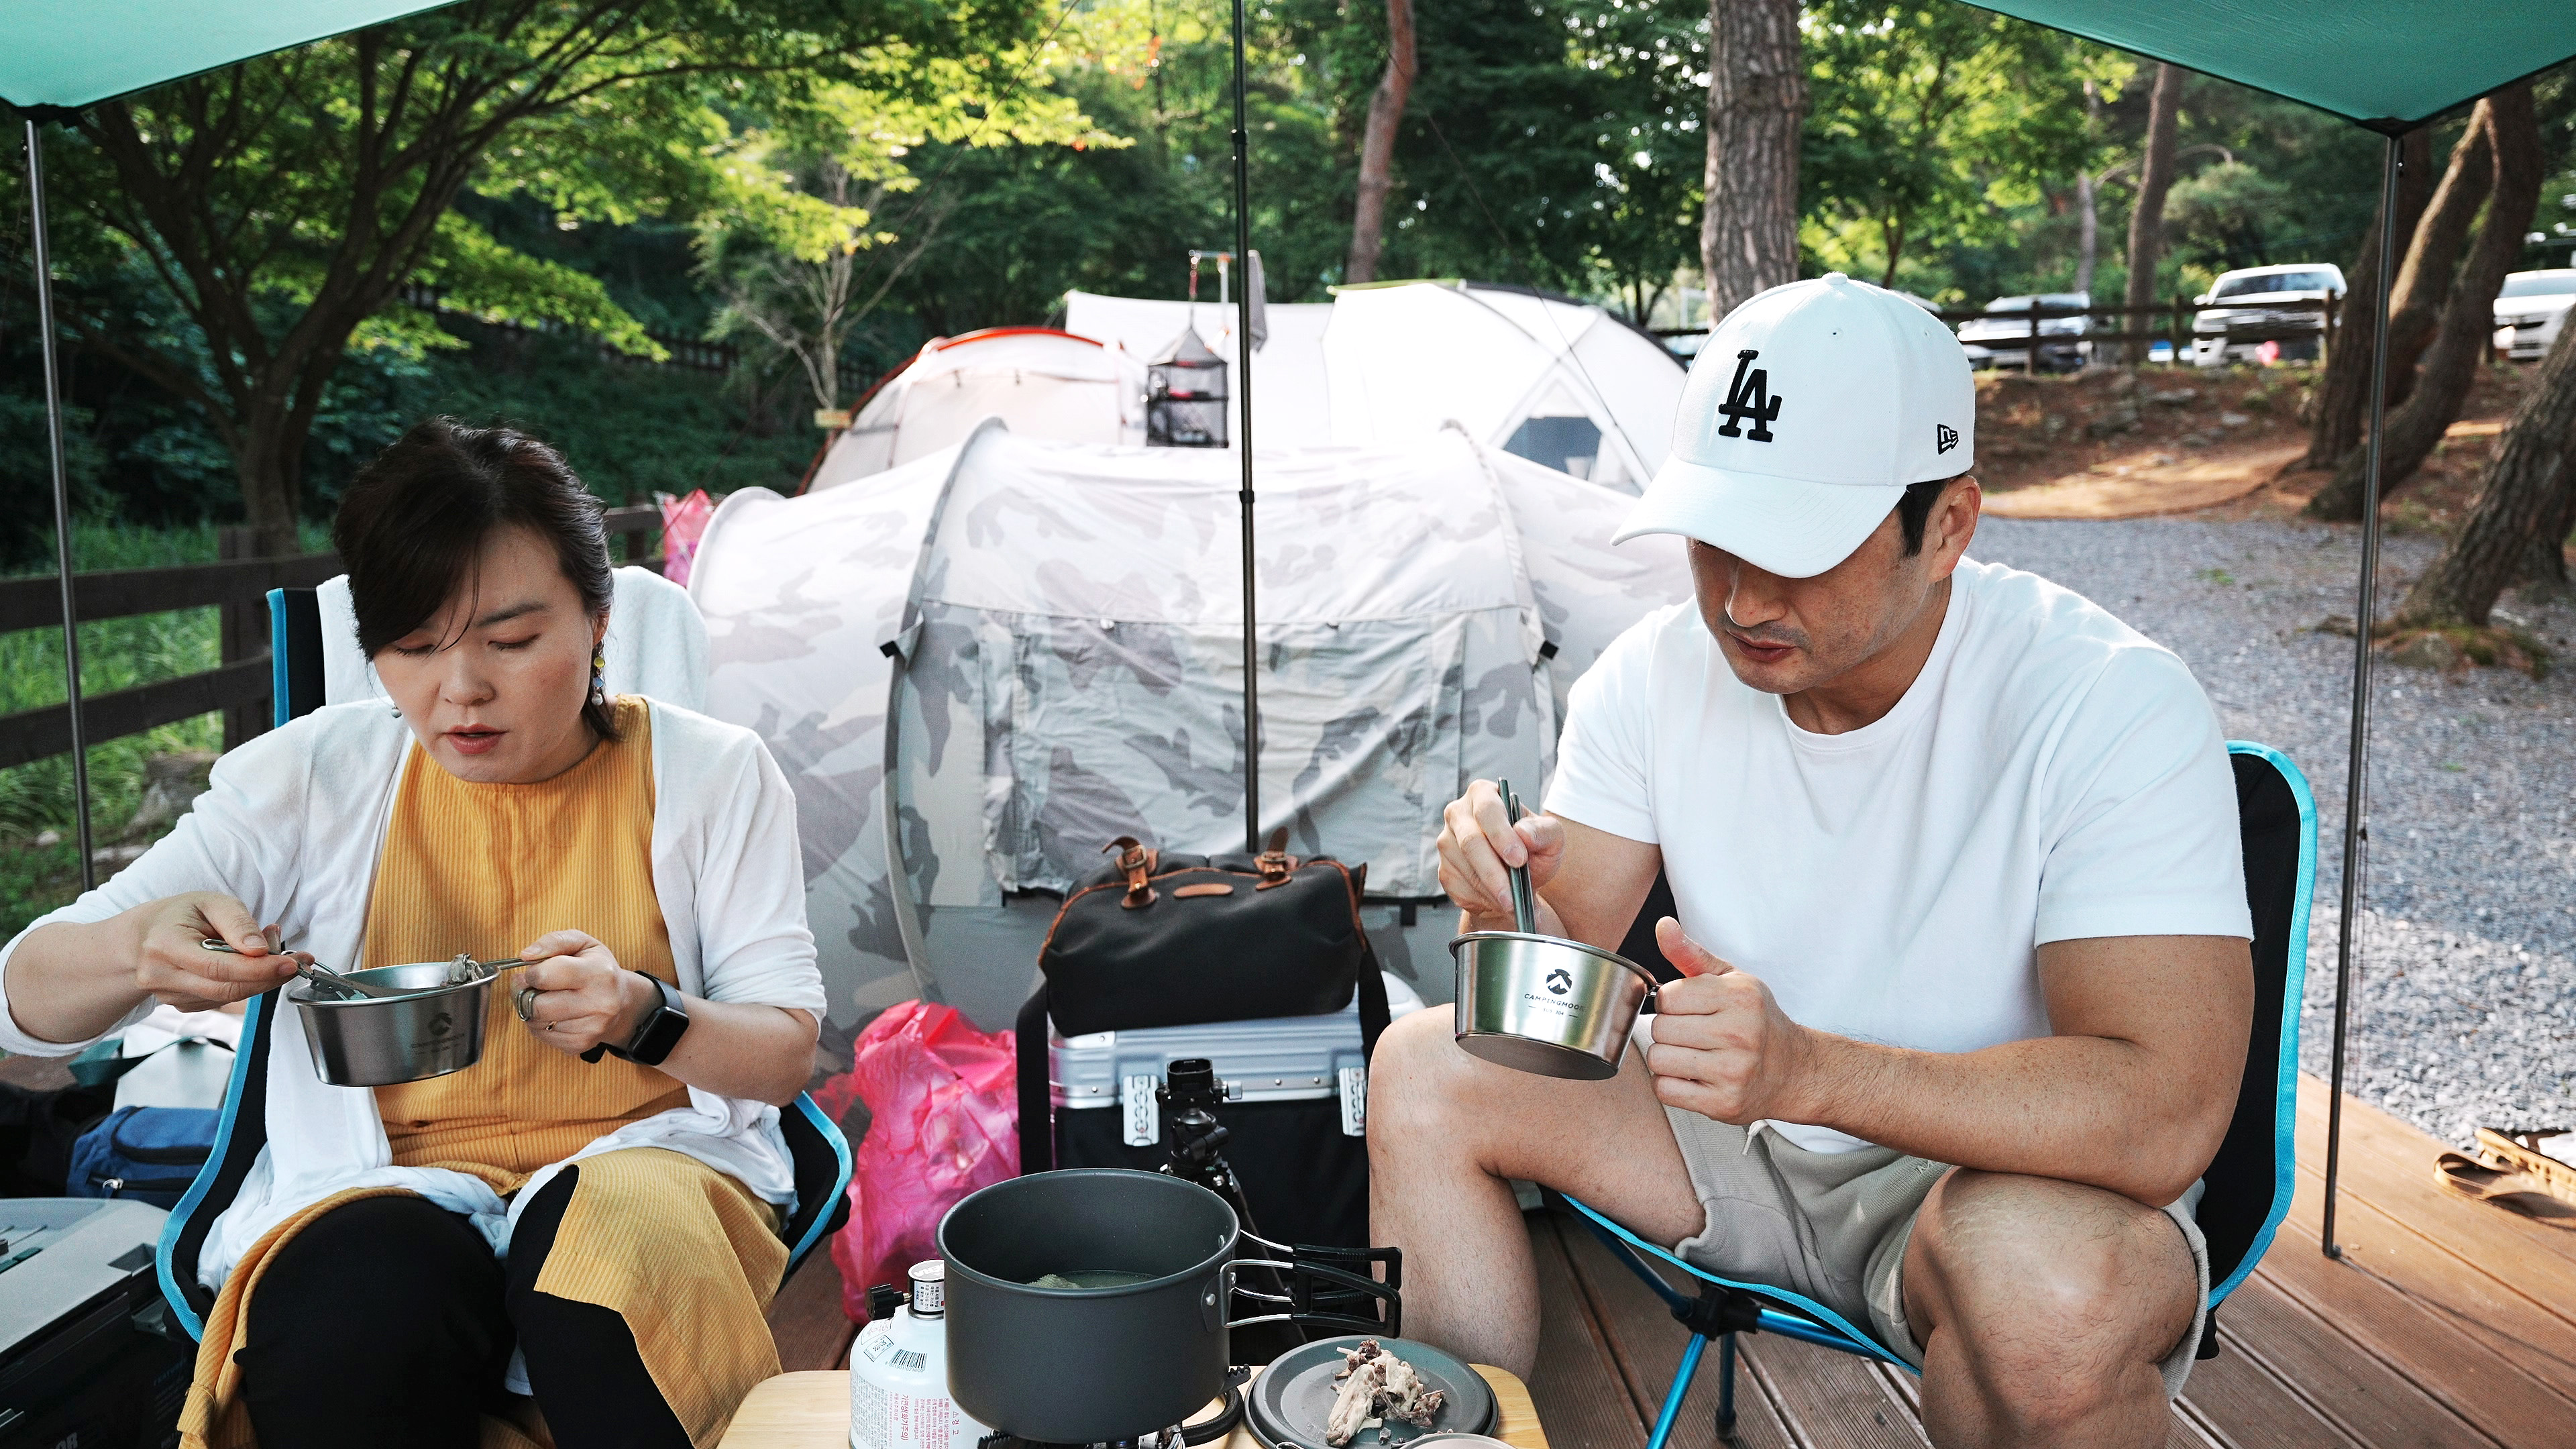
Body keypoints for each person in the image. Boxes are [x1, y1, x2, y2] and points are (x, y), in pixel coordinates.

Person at [1370, 274, 2252, 1449]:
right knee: (1428, 1067)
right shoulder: (1652, 674)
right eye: (1715, 536)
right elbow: (1549, 999)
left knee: (2052, 1309)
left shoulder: (2107, 702)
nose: (1741, 598)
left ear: (1949, 528)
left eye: (1800, 548)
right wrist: (1500, 897)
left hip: (1998, 1179)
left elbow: (2163, 1114)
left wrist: (1811, 1073)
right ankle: (1436, 1435)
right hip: (1732, 1140)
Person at [0, 419, 823, 1449]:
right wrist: (135, 952)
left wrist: (643, 1014)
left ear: (599, 621)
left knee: (600, 1283)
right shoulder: (315, 776)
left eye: (511, 642)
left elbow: (784, 1056)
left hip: (653, 1158)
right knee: (351, 1309)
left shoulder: (713, 775)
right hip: (382, 1178)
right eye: (415, 647)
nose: (460, 689)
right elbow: (20, 1000)